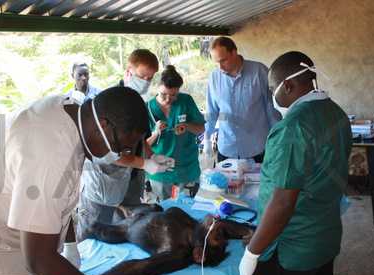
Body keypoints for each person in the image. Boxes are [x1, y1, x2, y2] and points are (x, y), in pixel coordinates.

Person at [0, 87, 153, 275]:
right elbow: (38, 260)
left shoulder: (73, 114)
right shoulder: (51, 155)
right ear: (103, 125)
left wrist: (71, 244)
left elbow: (55, 201)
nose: (121, 154)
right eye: (122, 147)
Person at [238, 51, 352, 275]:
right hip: (323, 239)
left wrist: (254, 251)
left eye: (270, 90)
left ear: (286, 86)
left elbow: (283, 202)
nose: (271, 97)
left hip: (291, 251)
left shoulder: (292, 127)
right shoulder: (336, 113)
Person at [77, 49, 168, 237]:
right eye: (142, 76)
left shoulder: (139, 103)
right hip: (103, 183)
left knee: (127, 231)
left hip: (130, 181)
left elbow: (141, 140)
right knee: (93, 235)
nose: (146, 82)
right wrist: (144, 163)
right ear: (128, 72)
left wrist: (152, 156)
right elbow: (105, 152)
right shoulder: (105, 104)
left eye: (150, 78)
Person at [203, 36, 282, 163]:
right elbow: (211, 110)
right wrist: (207, 138)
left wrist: (278, 139)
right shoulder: (214, 77)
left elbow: (272, 109)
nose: (220, 67)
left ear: (234, 52)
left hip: (257, 148)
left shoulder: (259, 71)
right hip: (227, 148)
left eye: (223, 60)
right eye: (216, 62)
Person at [146, 65, 205, 202]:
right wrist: (156, 132)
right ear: (156, 86)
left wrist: (187, 126)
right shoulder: (147, 108)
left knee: (190, 212)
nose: (167, 99)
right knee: (163, 214)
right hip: (161, 173)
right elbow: (143, 145)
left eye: (173, 95)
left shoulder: (186, 101)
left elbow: (201, 129)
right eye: (163, 95)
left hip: (187, 169)